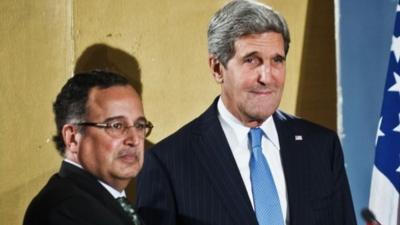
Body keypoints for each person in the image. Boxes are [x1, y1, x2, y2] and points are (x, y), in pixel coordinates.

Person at [136, 1, 357, 225]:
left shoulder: (321, 147)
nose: (267, 77)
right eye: (252, 60)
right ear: (217, 68)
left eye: (277, 60)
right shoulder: (168, 163)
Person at [23, 70, 152, 225]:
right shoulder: (65, 211)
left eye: (139, 125)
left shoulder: (108, 202)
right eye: (116, 125)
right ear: (72, 138)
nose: (135, 139)